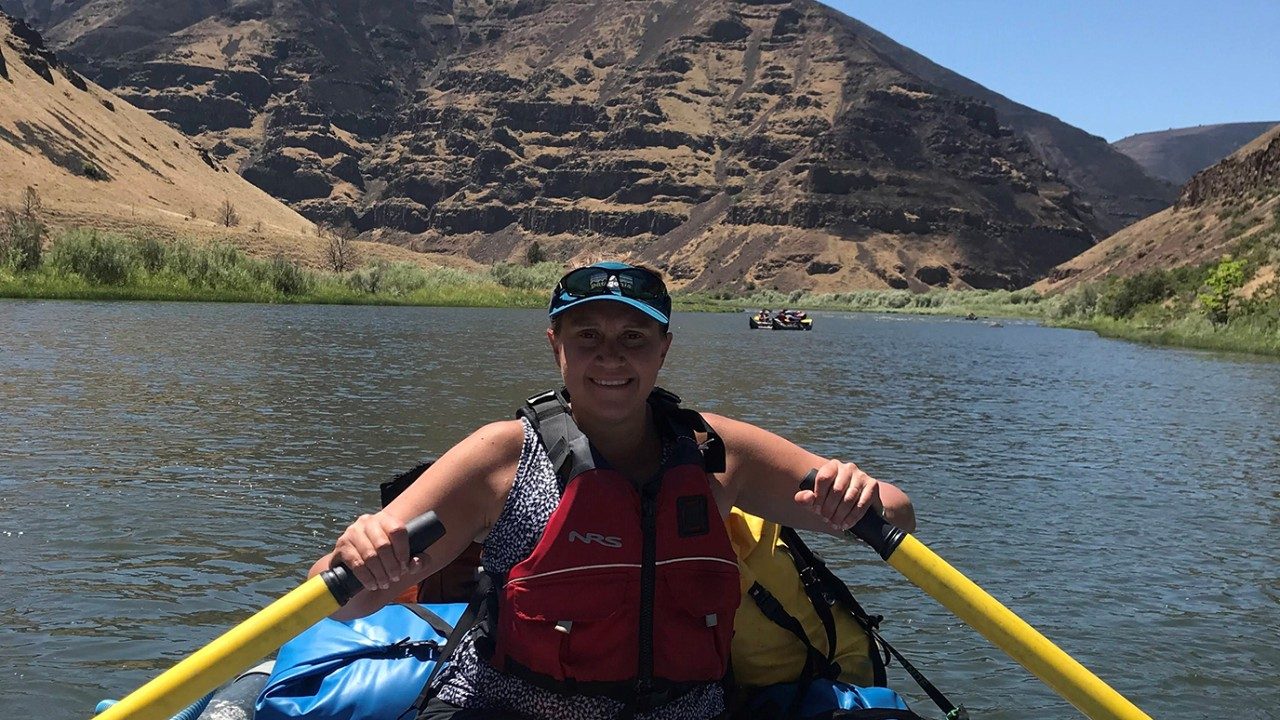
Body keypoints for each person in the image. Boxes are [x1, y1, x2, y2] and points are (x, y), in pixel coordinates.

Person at [310, 261, 916, 720]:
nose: (610, 357)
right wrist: (359, 552)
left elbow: (898, 517)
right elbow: (335, 596)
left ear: (663, 349)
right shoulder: (501, 456)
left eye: (634, 337)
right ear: (556, 346)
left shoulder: (717, 452)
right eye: (587, 335)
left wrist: (854, 489)